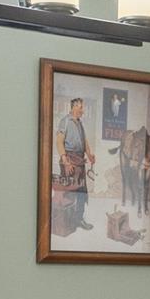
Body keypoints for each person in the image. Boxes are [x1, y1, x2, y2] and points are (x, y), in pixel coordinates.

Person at [54, 97, 91, 235]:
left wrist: (90, 154)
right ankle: (66, 222)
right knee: (68, 192)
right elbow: (59, 142)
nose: (83, 110)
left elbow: (84, 140)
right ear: (74, 107)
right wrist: (66, 161)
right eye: (81, 107)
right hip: (69, 161)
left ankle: (78, 219)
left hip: (80, 162)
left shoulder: (80, 123)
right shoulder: (65, 121)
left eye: (83, 107)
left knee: (81, 192)